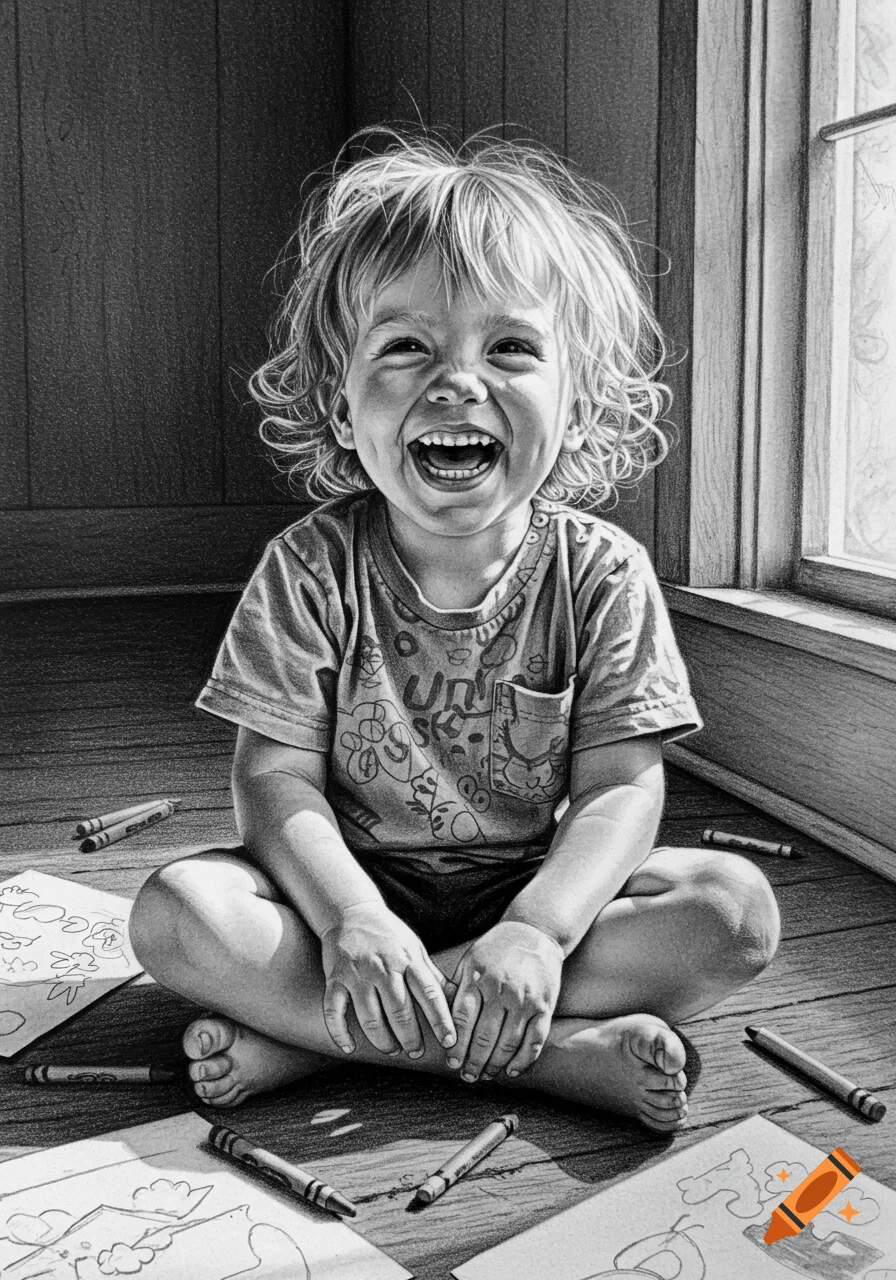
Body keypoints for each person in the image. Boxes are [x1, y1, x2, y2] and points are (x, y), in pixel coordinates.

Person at [130, 132, 780, 1131]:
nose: (457, 382)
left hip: (527, 894)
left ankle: (315, 1039)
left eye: (509, 348)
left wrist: (537, 931)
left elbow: (619, 788)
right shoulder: (308, 567)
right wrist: (350, 919)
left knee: (734, 911)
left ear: (577, 404)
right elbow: (274, 781)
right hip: (334, 899)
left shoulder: (601, 571)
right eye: (406, 347)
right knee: (175, 912)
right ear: (340, 405)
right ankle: (543, 1058)